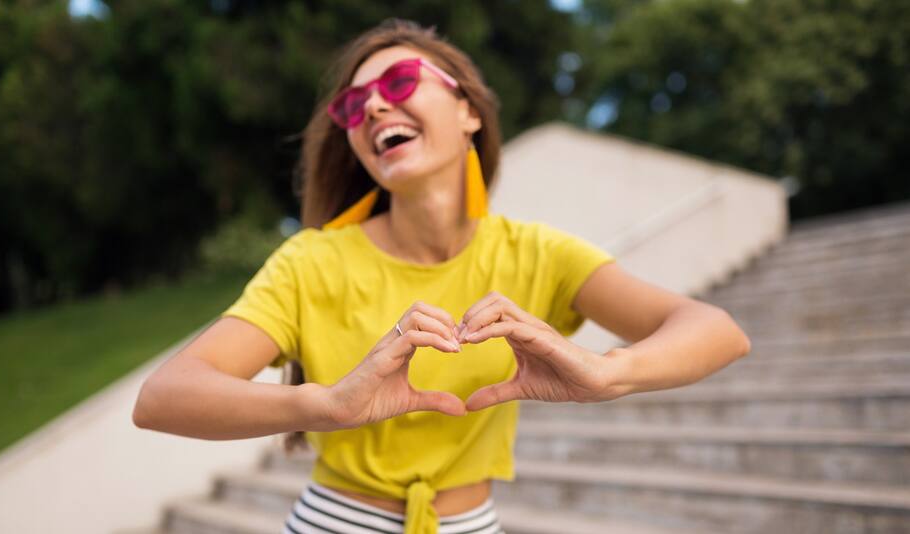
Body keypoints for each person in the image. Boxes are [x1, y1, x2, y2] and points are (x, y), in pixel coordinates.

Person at [132, 18, 752, 534]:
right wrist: (329, 404)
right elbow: (163, 398)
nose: (373, 105)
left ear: (469, 113)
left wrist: (607, 372)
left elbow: (716, 330)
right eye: (352, 104)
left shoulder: (538, 254)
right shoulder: (310, 261)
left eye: (401, 81)